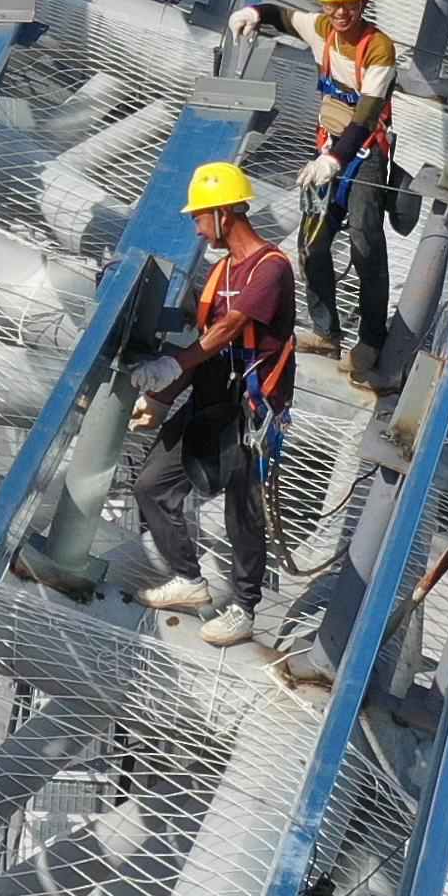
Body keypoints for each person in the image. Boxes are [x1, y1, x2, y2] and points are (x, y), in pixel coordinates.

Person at [130, 160, 297, 636]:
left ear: (224, 213)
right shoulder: (222, 272)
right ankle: (188, 578)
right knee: (152, 486)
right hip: (209, 400)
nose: (197, 228)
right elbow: (205, 343)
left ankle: (244, 609)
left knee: (242, 510)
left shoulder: (272, 268)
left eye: (200, 216)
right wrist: (164, 397)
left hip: (251, 412)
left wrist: (171, 366)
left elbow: (230, 328)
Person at [234, 0, 402, 383]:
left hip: (364, 154)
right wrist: (255, 13)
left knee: (365, 244)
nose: (341, 12)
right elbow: (282, 16)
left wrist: (334, 161)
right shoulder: (321, 29)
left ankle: (371, 340)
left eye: (349, 3)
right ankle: (326, 332)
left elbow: (365, 117)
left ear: (363, 3)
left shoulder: (378, 49)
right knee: (312, 244)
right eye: (333, 4)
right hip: (329, 148)